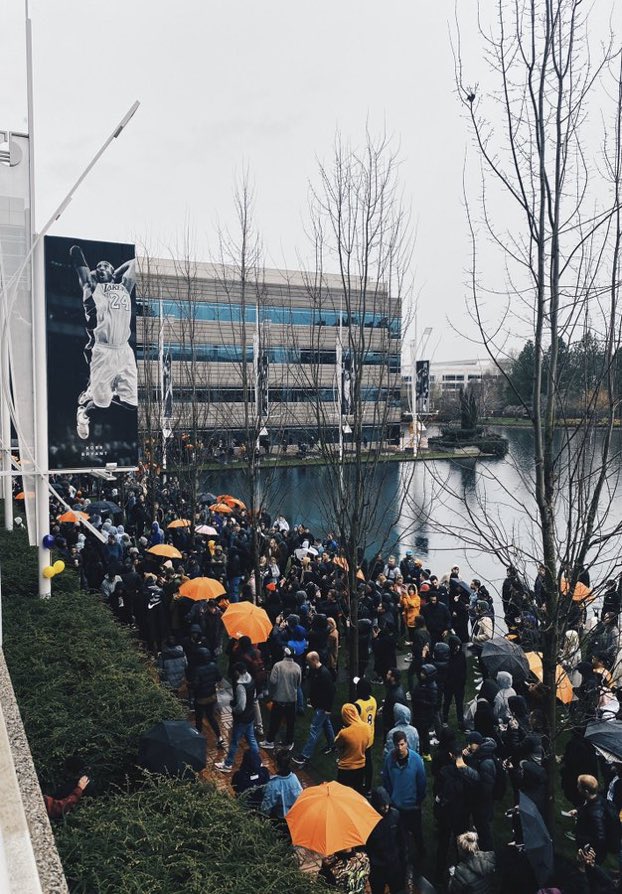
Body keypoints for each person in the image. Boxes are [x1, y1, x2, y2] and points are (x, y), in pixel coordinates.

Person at [69, 244, 137, 440]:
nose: (101, 268)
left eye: (105, 266)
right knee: (101, 405)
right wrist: (94, 272)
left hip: (124, 350)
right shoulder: (91, 287)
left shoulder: (125, 287)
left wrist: (116, 272)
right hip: (102, 350)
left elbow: (134, 263)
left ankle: (99, 389)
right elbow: (75, 252)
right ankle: (84, 413)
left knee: (132, 404)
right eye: (98, 266)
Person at [382, 730, 427, 865]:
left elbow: (422, 782)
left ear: (406, 743)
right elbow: (386, 780)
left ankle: (421, 853)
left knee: (417, 833)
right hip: (397, 806)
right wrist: (391, 797)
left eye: (402, 744)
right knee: (400, 836)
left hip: (413, 806)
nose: (400, 748)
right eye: (397, 745)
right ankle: (403, 859)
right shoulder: (389, 759)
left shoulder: (416, 760)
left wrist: (418, 800)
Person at [292, 651, 335, 768]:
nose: (307, 664)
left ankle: (305, 755)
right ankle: (332, 744)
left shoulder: (324, 674)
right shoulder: (316, 671)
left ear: (314, 660)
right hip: (320, 705)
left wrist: (328, 708)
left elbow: (331, 692)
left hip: (322, 707)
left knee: (314, 730)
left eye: (308, 661)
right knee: (326, 724)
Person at [215, 662, 258, 772]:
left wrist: (234, 709)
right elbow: (254, 696)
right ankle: (257, 761)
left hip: (241, 719)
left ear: (238, 672)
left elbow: (241, 706)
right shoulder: (251, 680)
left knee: (234, 741)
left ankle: (228, 764)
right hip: (250, 715)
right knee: (251, 739)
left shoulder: (240, 686)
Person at [260, 646, 301, 750]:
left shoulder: (278, 666)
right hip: (292, 699)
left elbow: (273, 681)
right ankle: (289, 743)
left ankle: (270, 741)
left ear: (284, 654)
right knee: (290, 723)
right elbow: (298, 683)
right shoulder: (297, 667)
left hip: (279, 699)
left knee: (274, 721)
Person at [366, 787, 406, 894]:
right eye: (382, 805)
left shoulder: (395, 815)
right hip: (377, 867)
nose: (386, 807)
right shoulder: (369, 821)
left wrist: (403, 861)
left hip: (394, 864)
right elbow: (366, 846)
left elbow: (401, 840)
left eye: (387, 804)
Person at [463, 731, 497, 851]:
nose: (468, 747)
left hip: (482, 802)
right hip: (481, 801)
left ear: (477, 743)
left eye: (470, 744)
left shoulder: (486, 762)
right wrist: (467, 757)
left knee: (484, 828)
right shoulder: (480, 754)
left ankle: (487, 853)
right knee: (481, 826)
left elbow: (485, 786)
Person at [570, 775, 608, 865]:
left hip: (589, 853)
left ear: (586, 791)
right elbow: (586, 807)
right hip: (585, 844)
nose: (577, 787)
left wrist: (583, 840)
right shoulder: (594, 799)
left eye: (579, 786)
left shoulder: (595, 813)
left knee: (584, 869)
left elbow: (600, 837)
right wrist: (578, 810)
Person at [335, 703, 371, 793]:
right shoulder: (367, 727)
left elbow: (337, 743)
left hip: (345, 768)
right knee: (357, 793)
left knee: (342, 794)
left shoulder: (344, 733)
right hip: (360, 766)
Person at [260, 749, 303, 819]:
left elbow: (266, 807)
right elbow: (300, 795)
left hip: (280, 817)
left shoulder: (273, 784)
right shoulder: (294, 778)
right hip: (294, 815)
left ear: (276, 764)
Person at [354, 677, 378, 794]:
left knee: (359, 762)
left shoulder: (357, 705)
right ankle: (368, 786)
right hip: (370, 735)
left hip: (360, 738)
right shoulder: (373, 700)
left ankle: (358, 785)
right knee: (369, 761)